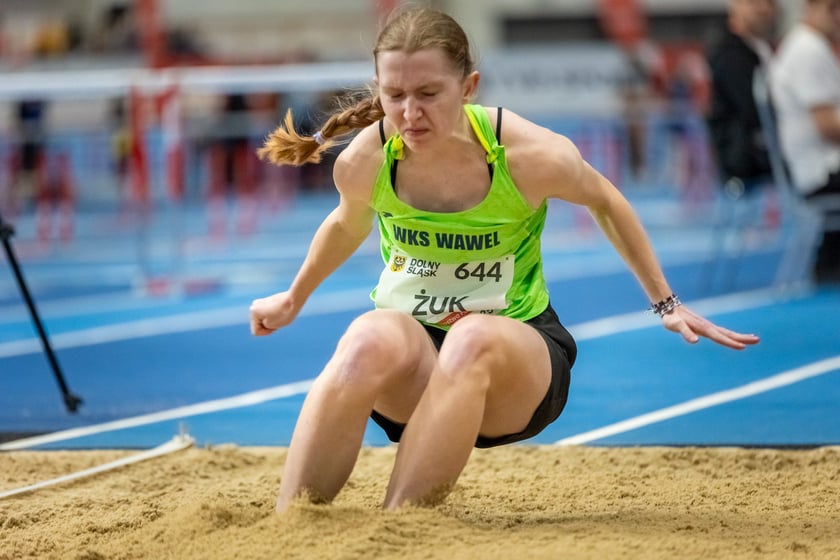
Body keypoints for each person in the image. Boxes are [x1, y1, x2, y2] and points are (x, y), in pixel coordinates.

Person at [249, 7, 760, 513]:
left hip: (515, 363)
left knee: (471, 337)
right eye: (395, 95)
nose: (409, 113)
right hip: (420, 363)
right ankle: (291, 523)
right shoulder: (367, 160)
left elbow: (605, 200)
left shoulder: (529, 156)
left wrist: (664, 302)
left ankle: (397, 529)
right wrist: (294, 298)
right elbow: (345, 223)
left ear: (469, 86)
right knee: (365, 336)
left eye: (429, 94)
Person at [770, 0, 840, 284]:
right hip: (821, 170)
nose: (839, 16)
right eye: (832, 8)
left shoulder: (812, 46)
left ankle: (830, 262)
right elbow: (827, 126)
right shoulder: (807, 49)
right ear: (808, 9)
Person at [706, 0, 778, 195]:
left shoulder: (762, 49)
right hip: (743, 160)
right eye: (755, 3)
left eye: (770, 3)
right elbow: (753, 110)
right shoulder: (729, 55)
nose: (764, 9)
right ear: (735, 5)